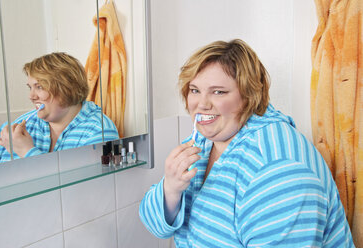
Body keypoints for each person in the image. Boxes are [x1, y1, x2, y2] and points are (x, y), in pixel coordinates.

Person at [139, 39, 355, 247]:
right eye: (194, 90)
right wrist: (170, 188)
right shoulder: (204, 140)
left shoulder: (278, 170)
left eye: (218, 92)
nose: (201, 104)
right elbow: (155, 225)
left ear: (249, 95)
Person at [0, 52, 118, 165]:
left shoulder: (99, 131)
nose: (31, 96)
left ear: (67, 89)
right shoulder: (12, 133)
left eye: (39, 87)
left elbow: (86, 188)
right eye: (30, 87)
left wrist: (26, 151)